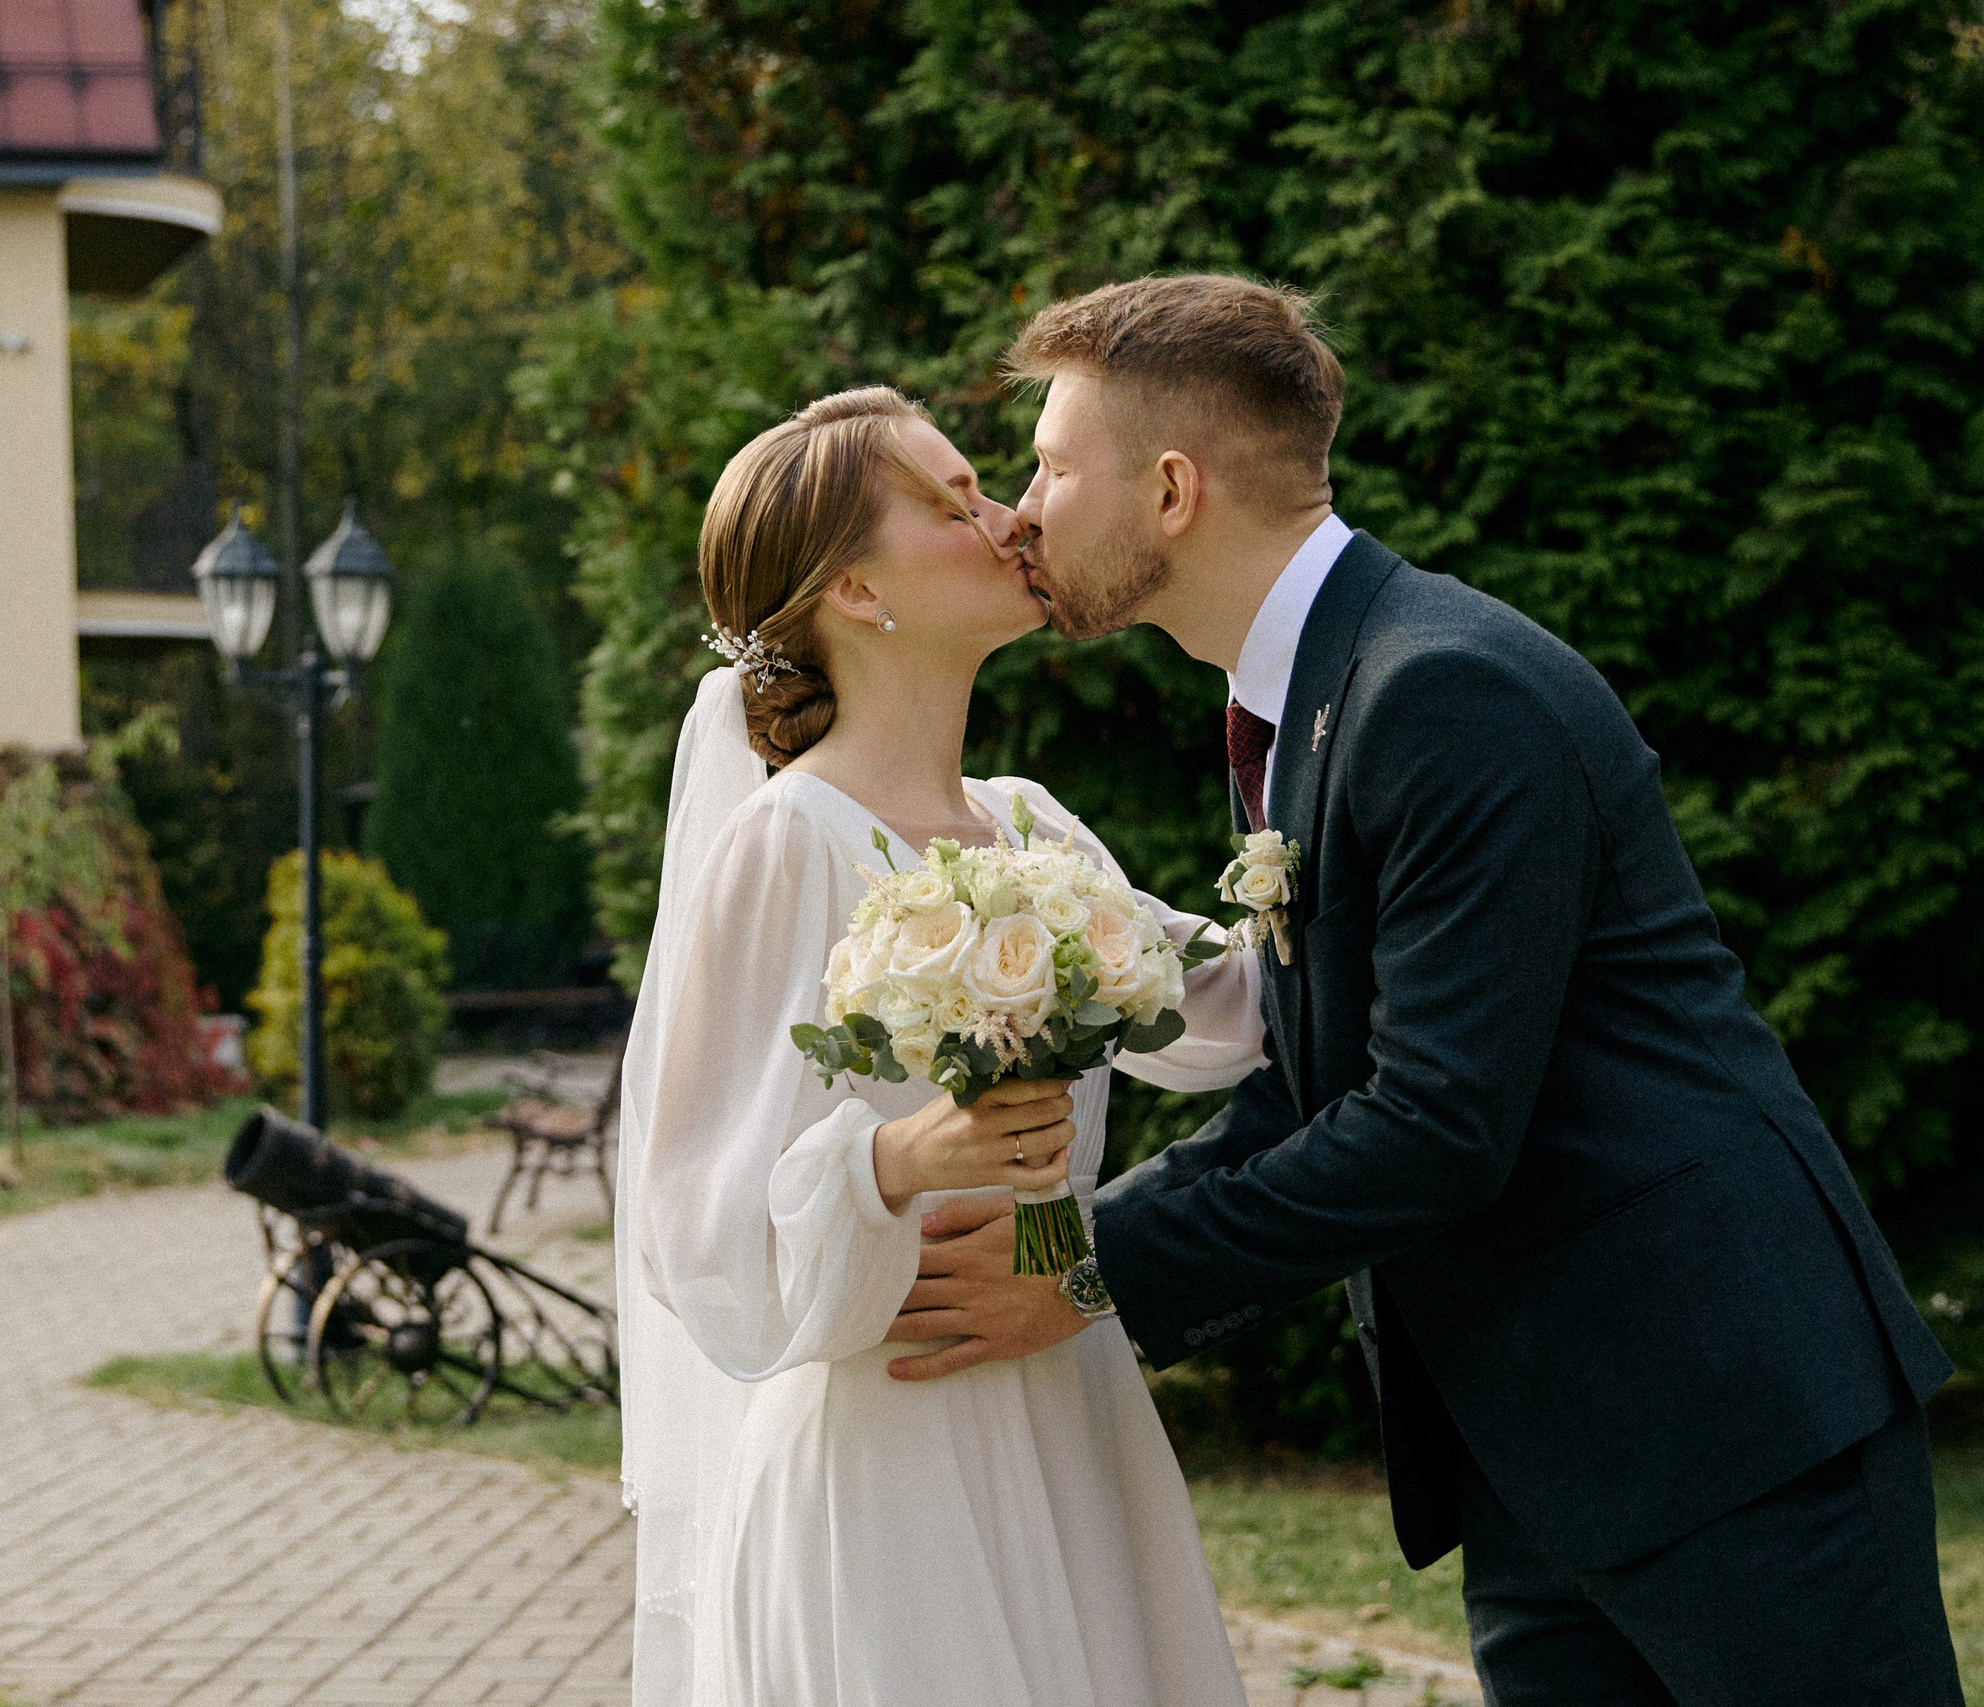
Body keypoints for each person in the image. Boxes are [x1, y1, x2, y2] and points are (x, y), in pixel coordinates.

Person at [904, 274, 1963, 1707]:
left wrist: (1089, 1273)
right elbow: (1305, 1088)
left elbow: (1435, 1125)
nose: (1022, 510)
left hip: (1726, 1416)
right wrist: (1065, 1249)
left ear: (1170, 490)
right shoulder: (1310, 701)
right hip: (1539, 1446)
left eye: (1050, 466)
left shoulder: (1443, 691)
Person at [615, 386, 1265, 1706]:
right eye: (954, 500)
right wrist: (894, 1162)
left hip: (1066, 1406)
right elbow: (686, 1224)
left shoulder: (1032, 831)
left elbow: (1227, 1015)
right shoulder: (786, 842)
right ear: (857, 592)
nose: (1010, 517)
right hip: (888, 1453)